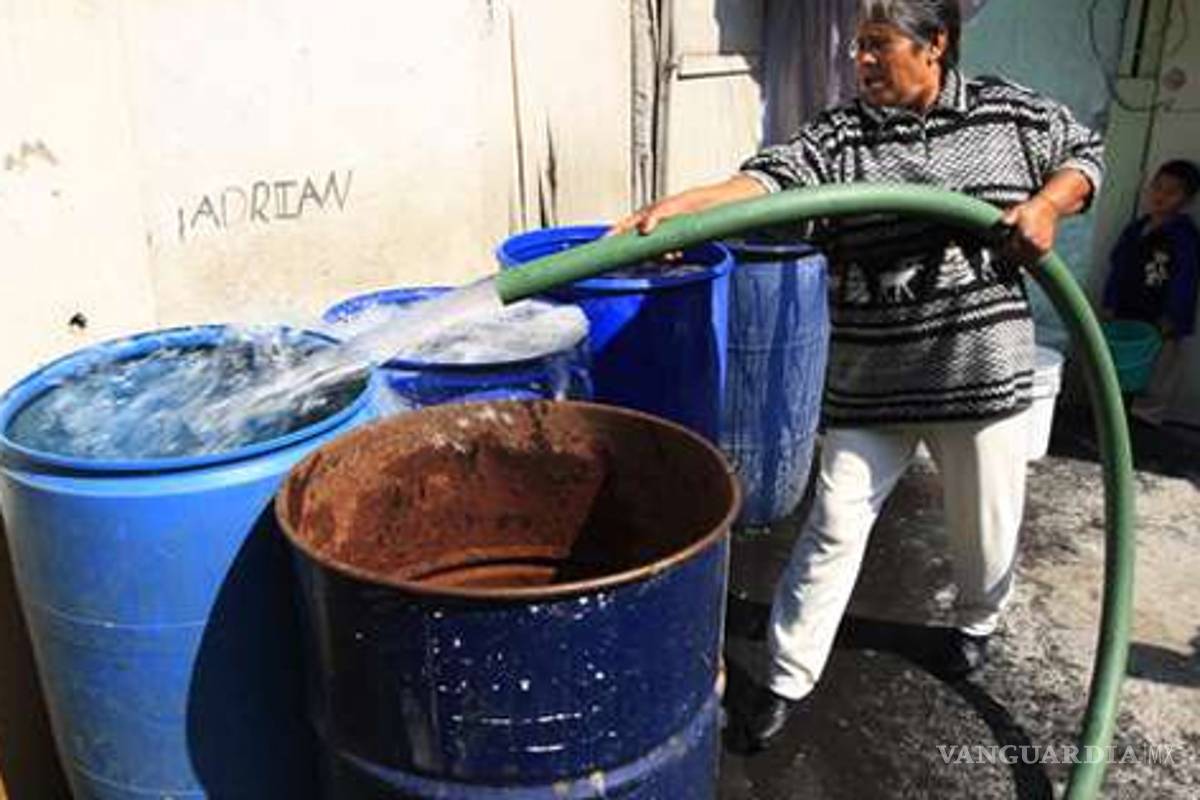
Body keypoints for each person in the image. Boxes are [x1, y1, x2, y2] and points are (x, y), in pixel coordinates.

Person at [613, 0, 1104, 750]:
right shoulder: (841, 135)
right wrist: (687, 209)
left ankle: (978, 621)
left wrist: (1047, 204)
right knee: (834, 527)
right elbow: (770, 178)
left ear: (934, 44)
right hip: (872, 379)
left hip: (979, 376)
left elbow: (1082, 152)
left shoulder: (1010, 113)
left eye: (878, 46)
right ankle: (784, 679)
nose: (861, 61)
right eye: (857, 47)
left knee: (986, 527)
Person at [1101, 159, 1200, 425]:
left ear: (1187, 199)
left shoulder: (1184, 237)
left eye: (1172, 192)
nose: (1161, 196)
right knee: (1122, 363)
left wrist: (1173, 316)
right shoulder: (1136, 229)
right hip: (1127, 310)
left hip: (1161, 318)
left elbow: (1185, 279)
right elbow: (1118, 267)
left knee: (1159, 370)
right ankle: (1116, 412)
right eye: (1157, 187)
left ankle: (1146, 418)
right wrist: (1109, 303)